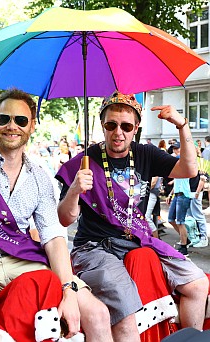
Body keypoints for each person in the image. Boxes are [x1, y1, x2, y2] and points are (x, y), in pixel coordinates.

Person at [0, 88, 112, 342]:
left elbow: (53, 239)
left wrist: (69, 292)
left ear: (32, 126)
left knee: (98, 313)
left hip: (22, 260)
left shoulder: (40, 177)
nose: (11, 126)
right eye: (4, 119)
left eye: (21, 120)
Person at [55, 91, 209, 342]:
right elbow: (64, 219)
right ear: (102, 125)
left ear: (135, 128)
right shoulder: (83, 162)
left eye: (126, 126)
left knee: (198, 285)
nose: (118, 132)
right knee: (126, 311)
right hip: (96, 247)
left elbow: (189, 169)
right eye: (111, 125)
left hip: (138, 239)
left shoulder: (145, 153)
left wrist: (182, 125)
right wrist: (74, 190)